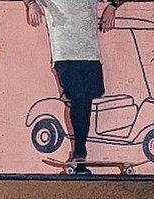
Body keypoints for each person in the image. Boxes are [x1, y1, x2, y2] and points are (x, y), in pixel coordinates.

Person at [26, 0, 120, 172]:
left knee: (85, 101)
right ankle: (79, 153)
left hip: (91, 55)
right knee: (78, 96)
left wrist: (112, 6)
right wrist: (31, 4)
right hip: (64, 55)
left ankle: (80, 157)